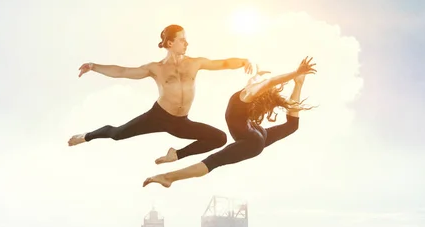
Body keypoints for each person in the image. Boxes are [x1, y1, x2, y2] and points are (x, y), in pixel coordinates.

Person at [68, 24, 254, 165]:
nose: (186, 43)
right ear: (170, 43)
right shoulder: (156, 68)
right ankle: (85, 136)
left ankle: (176, 155)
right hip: (157, 117)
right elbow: (122, 72)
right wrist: (93, 66)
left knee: (219, 138)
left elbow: (222, 64)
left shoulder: (195, 63)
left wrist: (243, 61)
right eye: (182, 40)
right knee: (117, 134)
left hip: (181, 122)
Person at [143, 56, 317, 188]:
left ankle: (169, 178)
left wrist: (296, 72)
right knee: (292, 125)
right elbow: (257, 79)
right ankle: (299, 85)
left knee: (213, 161)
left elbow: (270, 81)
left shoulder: (249, 94)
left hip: (252, 142)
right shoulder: (250, 89)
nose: (261, 83)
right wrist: (261, 74)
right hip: (256, 134)